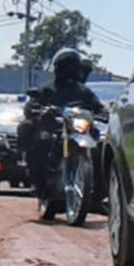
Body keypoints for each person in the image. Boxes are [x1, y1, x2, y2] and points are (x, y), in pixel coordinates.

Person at [18, 49, 104, 195]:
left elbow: (98, 106)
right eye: (65, 66)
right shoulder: (47, 89)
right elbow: (32, 106)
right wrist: (38, 110)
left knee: (99, 147)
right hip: (54, 129)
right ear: (58, 68)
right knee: (42, 140)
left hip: (78, 129)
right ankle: (38, 183)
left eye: (72, 66)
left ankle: (98, 193)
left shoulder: (83, 91)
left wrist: (105, 112)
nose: (68, 70)